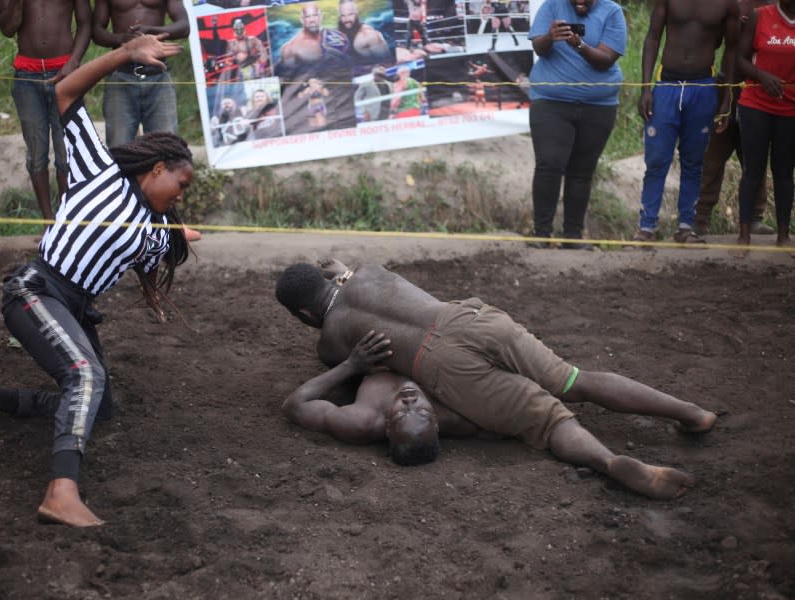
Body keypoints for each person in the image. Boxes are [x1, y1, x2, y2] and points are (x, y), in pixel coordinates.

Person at [0, 34, 197, 528]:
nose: (181, 195)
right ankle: (61, 491)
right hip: (36, 291)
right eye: (181, 184)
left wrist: (179, 234)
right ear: (158, 168)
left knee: (98, 405)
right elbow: (63, 92)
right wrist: (125, 54)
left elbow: (163, 250)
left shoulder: (152, 226)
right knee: (84, 376)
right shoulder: (98, 170)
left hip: (75, 307)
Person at [276, 260, 718, 500]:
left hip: (440, 364)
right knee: (572, 380)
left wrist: (351, 362)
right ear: (328, 275)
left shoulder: (329, 344)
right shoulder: (368, 270)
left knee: (548, 421)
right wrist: (338, 270)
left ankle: (607, 462)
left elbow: (335, 366)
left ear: (304, 316)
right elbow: (344, 276)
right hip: (467, 316)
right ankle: (690, 412)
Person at [634, 0, 740, 244]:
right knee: (657, 158)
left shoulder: (727, 4)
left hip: (703, 87)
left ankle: (685, 226)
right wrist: (646, 88)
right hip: (667, 85)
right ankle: (647, 226)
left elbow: (732, 49)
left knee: (693, 160)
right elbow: (652, 37)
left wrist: (727, 98)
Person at [526, 0, 627, 250]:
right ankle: (541, 235)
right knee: (549, 163)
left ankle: (572, 237)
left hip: (598, 106)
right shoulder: (552, 6)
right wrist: (550, 36)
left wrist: (579, 45)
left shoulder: (612, 12)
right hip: (551, 101)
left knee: (582, 170)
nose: (580, 1)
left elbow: (606, 59)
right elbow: (539, 47)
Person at [0, 0, 92, 230]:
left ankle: (66, 220)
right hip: (27, 76)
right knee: (36, 152)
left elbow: (85, 23)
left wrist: (74, 61)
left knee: (65, 153)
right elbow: (7, 29)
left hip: (65, 73)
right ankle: (49, 223)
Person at [693, 0, 776, 238]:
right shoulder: (729, 3)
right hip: (725, 83)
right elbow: (714, 40)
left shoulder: (775, 7)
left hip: (760, 87)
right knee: (713, 154)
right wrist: (729, 24)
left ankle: (755, 217)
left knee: (754, 154)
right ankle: (701, 217)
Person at [734, 0, 794, 249]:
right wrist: (761, 75)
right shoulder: (760, 16)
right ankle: (744, 236)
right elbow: (739, 58)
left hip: (791, 108)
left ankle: (783, 236)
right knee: (752, 171)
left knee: (784, 173)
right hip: (756, 104)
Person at [92, 0, 189, 147]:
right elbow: (96, 31)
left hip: (158, 75)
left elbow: (184, 26)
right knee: (119, 147)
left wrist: (151, 31)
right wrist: (121, 39)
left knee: (166, 147)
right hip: (120, 74)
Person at [276, 3, 351, 78]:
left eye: (315, 15)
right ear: (302, 20)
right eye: (308, 16)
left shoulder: (333, 35)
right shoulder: (291, 49)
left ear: (320, 17)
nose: (312, 20)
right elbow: (287, 80)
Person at [337, 0, 391, 65]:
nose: (347, 19)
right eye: (343, 15)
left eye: (350, 14)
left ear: (357, 13)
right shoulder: (337, 33)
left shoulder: (368, 35)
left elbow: (387, 64)